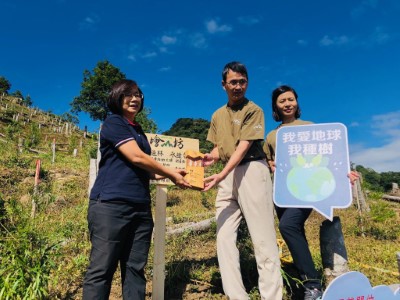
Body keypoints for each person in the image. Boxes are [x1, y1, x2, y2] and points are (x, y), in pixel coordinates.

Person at [82, 79, 191, 300]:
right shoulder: (113, 123)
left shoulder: (138, 131)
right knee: (101, 269)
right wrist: (170, 172)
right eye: (128, 94)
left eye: (139, 95)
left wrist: (177, 172)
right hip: (111, 205)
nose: (135, 99)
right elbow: (136, 156)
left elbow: (148, 171)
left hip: (140, 208)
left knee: (135, 268)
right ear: (117, 97)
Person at [263, 85, 359, 300]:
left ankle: (313, 286)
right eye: (282, 101)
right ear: (275, 107)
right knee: (295, 232)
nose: (287, 104)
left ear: (296, 102)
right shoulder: (271, 136)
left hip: (307, 190)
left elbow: (330, 157)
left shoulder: (310, 128)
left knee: (287, 226)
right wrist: (270, 164)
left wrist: (345, 176)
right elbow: (268, 161)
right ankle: (304, 281)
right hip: (282, 192)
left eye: (290, 99)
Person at [202, 61, 283, 300]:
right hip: (227, 174)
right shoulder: (217, 114)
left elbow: (244, 146)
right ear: (223, 84)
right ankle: (237, 296)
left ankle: (272, 296)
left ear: (247, 83)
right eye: (233, 82)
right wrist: (208, 158)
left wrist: (222, 173)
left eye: (242, 82)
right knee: (224, 237)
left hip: (252, 171)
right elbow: (220, 149)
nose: (238, 87)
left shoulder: (254, 109)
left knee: (263, 237)